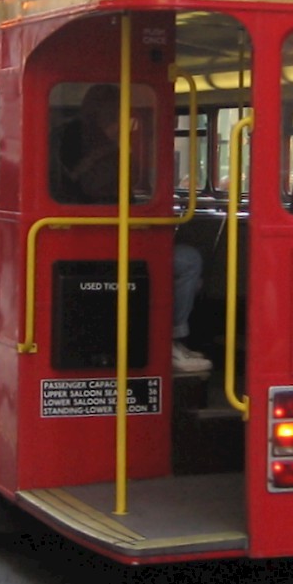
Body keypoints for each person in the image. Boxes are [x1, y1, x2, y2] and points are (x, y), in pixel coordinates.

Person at [71, 83, 211, 376]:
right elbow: (109, 189)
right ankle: (172, 340)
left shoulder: (76, 140)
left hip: (102, 238)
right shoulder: (104, 151)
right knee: (188, 261)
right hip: (106, 242)